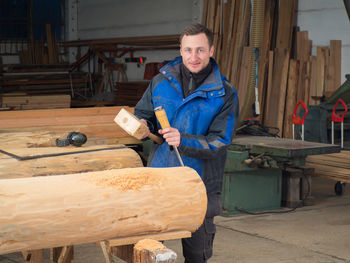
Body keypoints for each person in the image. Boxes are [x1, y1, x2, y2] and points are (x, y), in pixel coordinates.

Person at [134, 23, 239, 263]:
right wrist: (142, 126)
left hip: (200, 184)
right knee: (151, 252)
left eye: (200, 50)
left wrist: (183, 140)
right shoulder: (161, 82)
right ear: (180, 50)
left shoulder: (225, 93)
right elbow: (143, 113)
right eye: (188, 50)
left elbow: (220, 141)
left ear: (211, 50)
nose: (194, 57)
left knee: (196, 255)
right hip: (159, 178)